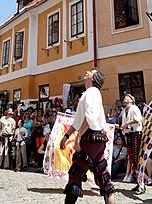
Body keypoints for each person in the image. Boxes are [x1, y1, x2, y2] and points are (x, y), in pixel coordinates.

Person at [60, 68, 116, 204]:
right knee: (103, 179)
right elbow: (78, 120)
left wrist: (78, 137)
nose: (87, 72)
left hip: (90, 139)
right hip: (97, 140)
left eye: (90, 72)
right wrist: (67, 136)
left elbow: (88, 118)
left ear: (94, 78)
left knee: (76, 174)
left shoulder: (92, 92)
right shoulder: (91, 93)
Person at [121, 94, 142, 183]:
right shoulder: (124, 110)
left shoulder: (134, 108)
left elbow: (138, 119)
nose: (125, 98)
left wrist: (126, 124)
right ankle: (134, 177)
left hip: (135, 133)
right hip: (129, 134)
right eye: (124, 97)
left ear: (131, 100)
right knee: (131, 156)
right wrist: (123, 127)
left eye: (127, 97)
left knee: (136, 157)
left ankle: (141, 180)